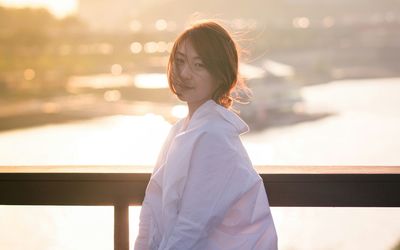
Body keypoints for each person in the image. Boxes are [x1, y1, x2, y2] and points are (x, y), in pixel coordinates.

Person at [135, 20, 277, 250]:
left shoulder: (214, 137)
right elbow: (151, 208)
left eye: (198, 65)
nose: (184, 73)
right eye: (180, 61)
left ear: (220, 74)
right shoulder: (181, 130)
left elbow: (193, 226)